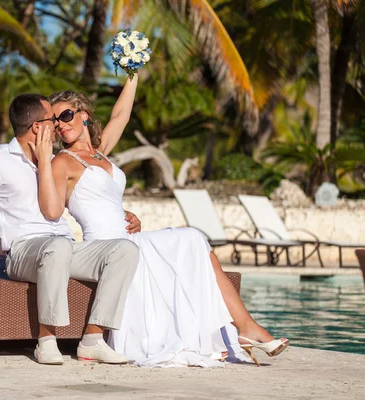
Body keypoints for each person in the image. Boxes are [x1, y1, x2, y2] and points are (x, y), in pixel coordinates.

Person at [31, 76, 289, 367]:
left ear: (84, 114)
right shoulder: (61, 161)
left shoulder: (101, 152)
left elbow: (121, 115)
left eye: (65, 115)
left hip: (128, 237)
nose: (61, 124)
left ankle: (246, 329)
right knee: (192, 238)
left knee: (200, 247)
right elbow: (51, 210)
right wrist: (43, 158)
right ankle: (246, 329)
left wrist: (134, 71)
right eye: (55, 121)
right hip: (105, 248)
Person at [0, 93, 141, 366]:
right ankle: (47, 341)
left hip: (63, 247)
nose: (59, 126)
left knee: (124, 249)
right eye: (53, 119)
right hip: (23, 251)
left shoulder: (53, 161)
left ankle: (93, 339)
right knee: (58, 247)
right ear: (38, 127)